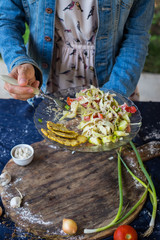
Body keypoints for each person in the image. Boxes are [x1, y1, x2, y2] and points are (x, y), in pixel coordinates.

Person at [0, 0, 154, 102]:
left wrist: (114, 95)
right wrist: (19, 60)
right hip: (46, 82)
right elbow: (7, 21)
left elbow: (136, 35)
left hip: (114, 79)